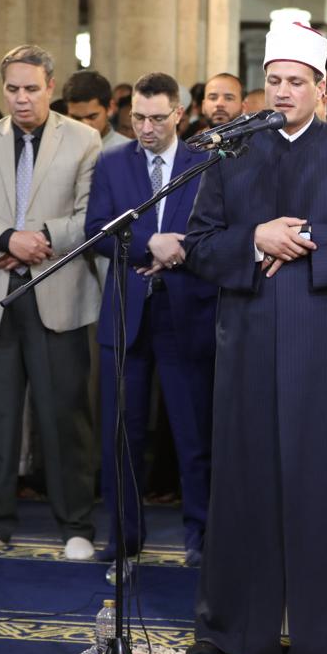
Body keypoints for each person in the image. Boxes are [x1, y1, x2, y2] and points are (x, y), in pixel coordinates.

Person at [183, 21, 327, 654]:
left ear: (321, 90)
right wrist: (254, 238)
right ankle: (232, 627)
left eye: (296, 82)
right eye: (273, 80)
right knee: (245, 487)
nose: (283, 92)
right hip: (251, 345)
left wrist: (307, 239)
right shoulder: (230, 152)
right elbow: (199, 245)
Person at [0, 44, 102, 560]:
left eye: (31, 89)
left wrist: (36, 239)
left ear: (50, 87)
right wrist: (6, 239)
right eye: (13, 89)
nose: (21, 98)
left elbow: (90, 213)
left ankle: (75, 524)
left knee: (64, 415)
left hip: (57, 290)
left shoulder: (83, 139)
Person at [83, 72, 216, 570]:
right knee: (122, 434)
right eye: (137, 117)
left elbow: (220, 229)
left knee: (193, 434)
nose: (146, 128)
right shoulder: (112, 162)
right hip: (127, 313)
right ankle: (124, 536)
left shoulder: (206, 161)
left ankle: (201, 536)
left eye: (157, 118)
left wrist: (178, 250)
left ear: (179, 113)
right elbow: (96, 230)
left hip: (188, 311)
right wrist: (147, 245)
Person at [63, 69, 128, 152]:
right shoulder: (57, 150)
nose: (84, 124)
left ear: (110, 108)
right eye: (76, 118)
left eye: (92, 117)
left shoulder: (130, 153)